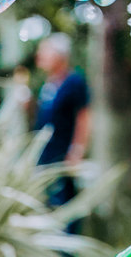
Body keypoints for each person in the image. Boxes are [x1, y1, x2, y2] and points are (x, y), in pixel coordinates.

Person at [33, 33, 91, 234]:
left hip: (63, 155)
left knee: (65, 204)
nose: (40, 55)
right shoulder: (48, 84)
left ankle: (67, 249)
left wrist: (77, 149)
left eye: (46, 51)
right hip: (45, 155)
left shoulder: (74, 81)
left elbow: (83, 117)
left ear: (60, 55)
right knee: (48, 204)